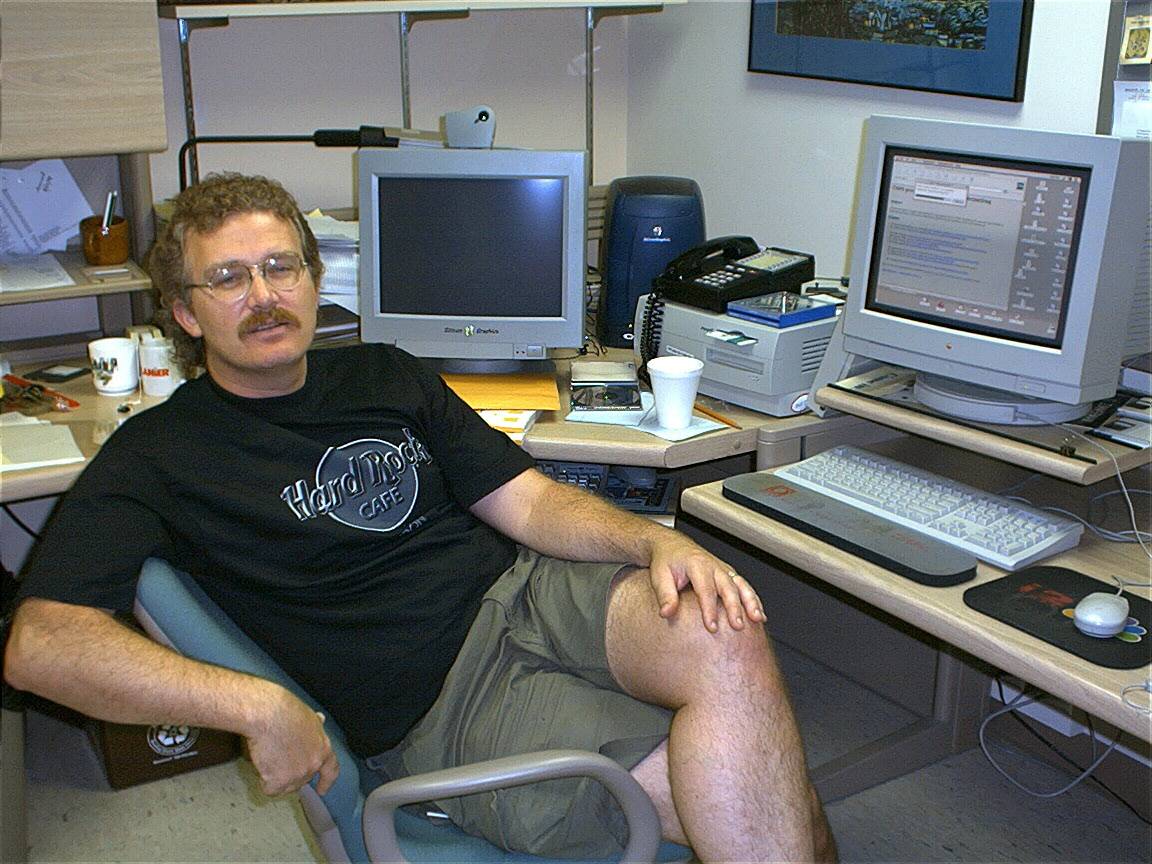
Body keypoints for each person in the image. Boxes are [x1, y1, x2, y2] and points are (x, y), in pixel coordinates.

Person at [5, 173, 835, 863]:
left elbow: (527, 499)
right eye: (227, 278)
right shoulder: (158, 455)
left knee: (725, 626)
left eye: (281, 267)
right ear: (186, 314)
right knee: (751, 793)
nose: (263, 296)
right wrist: (250, 705)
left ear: (312, 279)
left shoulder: (382, 372)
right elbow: (39, 647)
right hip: (443, 700)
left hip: (534, 592)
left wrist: (651, 541)